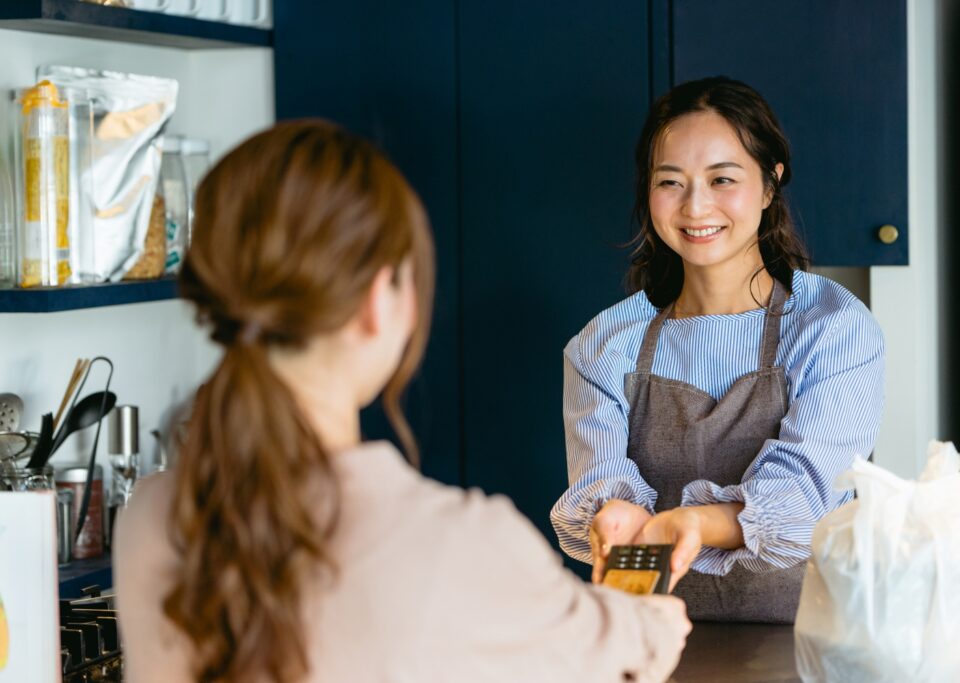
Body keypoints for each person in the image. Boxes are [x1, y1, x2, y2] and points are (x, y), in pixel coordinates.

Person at [114, 120, 690, 683]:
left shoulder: (151, 516)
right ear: (376, 300)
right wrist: (651, 621)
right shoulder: (461, 544)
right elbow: (630, 651)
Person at [550, 76, 885, 624]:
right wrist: (613, 514)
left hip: (808, 644)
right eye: (670, 182)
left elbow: (808, 496)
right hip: (654, 642)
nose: (696, 206)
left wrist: (692, 524)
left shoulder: (833, 329)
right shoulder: (604, 346)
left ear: (770, 184)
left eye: (722, 178)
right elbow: (601, 481)